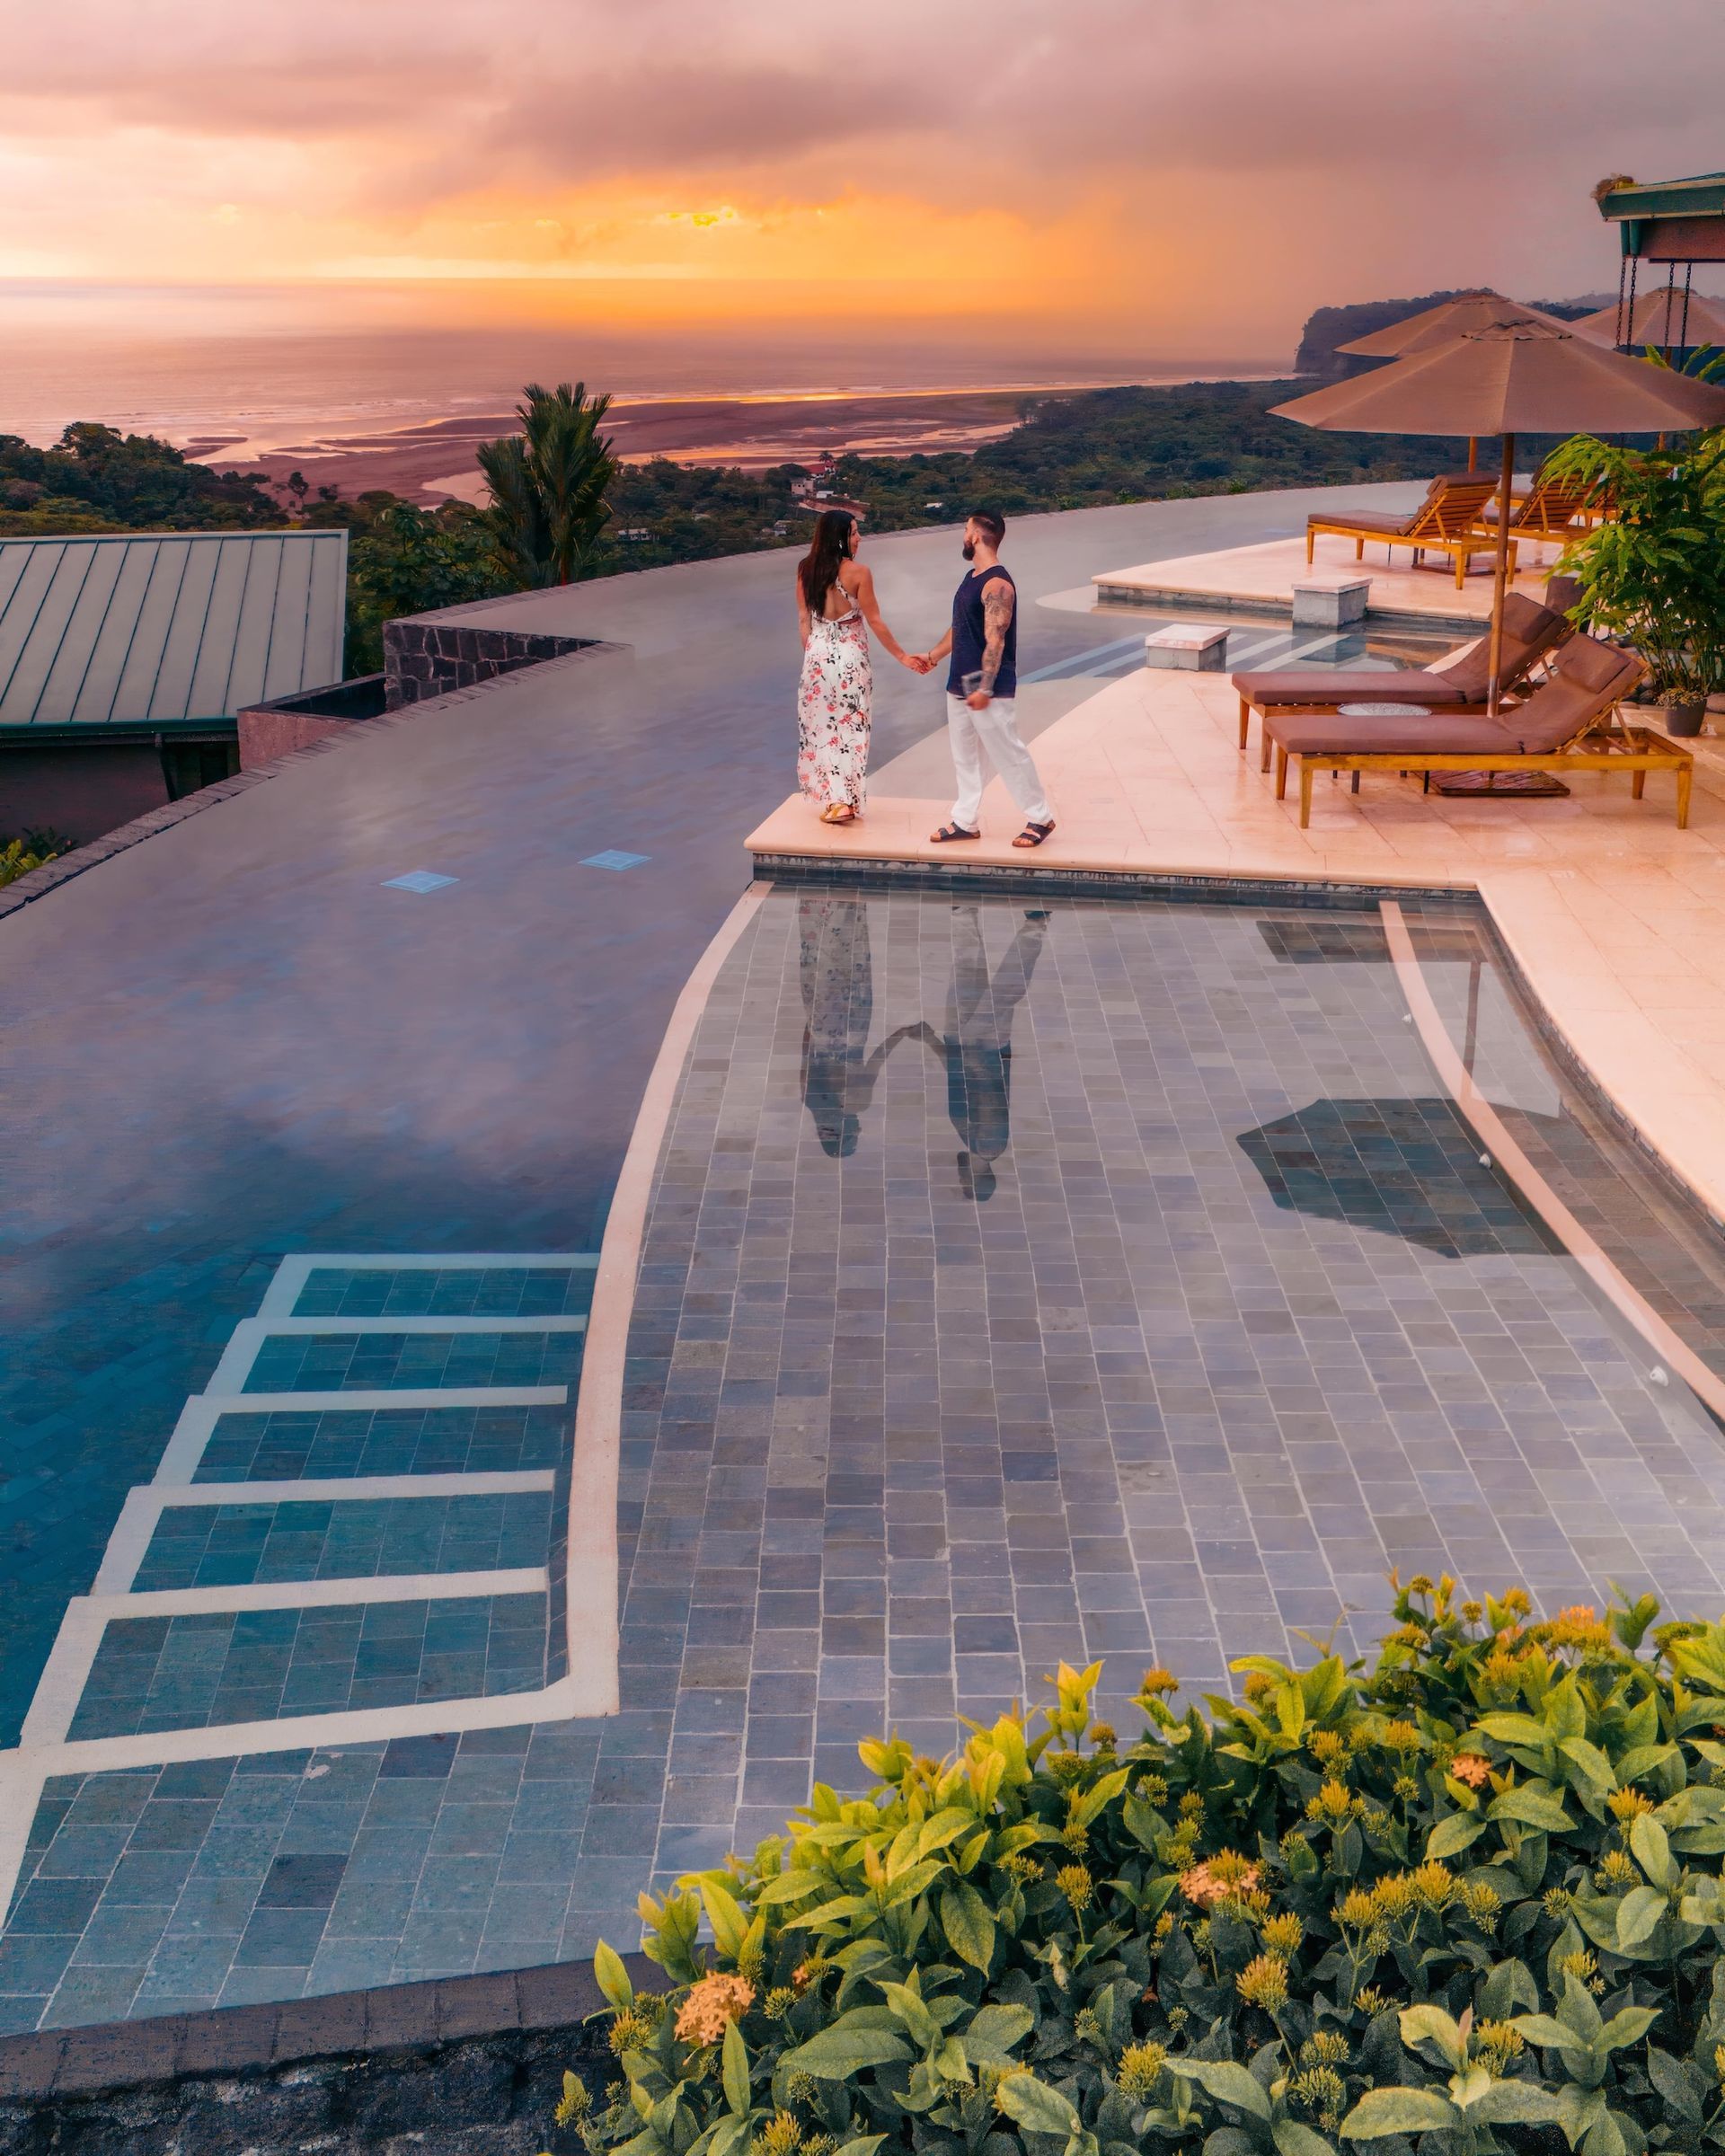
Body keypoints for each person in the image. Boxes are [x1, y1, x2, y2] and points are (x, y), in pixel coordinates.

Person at [914, 510, 1055, 849]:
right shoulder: (971, 577)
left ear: (975, 536)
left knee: (1008, 752)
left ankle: (1040, 817)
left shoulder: (997, 584)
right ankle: (965, 820)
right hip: (958, 683)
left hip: (988, 688)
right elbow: (962, 626)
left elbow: (996, 639)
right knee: (966, 757)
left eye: (965, 529)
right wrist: (933, 656)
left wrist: (985, 688)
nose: (963, 535)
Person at [795, 508, 927, 826]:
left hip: (817, 658)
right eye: (854, 532)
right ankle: (845, 800)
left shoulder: (805, 569)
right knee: (852, 726)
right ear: (839, 537)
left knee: (823, 727)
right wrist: (903, 656)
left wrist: (814, 654)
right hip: (851, 659)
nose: (859, 538)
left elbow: (804, 619)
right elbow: (875, 620)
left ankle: (835, 799)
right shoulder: (858, 572)